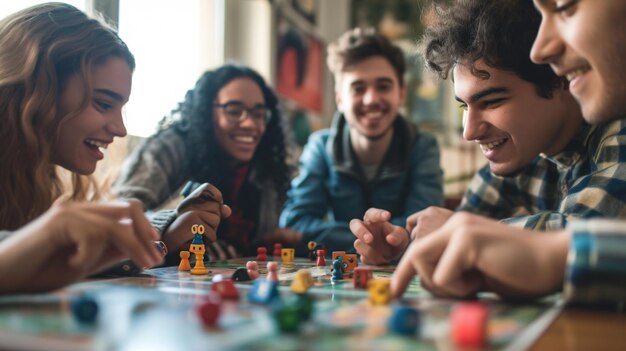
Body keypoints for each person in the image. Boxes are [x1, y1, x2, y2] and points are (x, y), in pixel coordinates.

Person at [352, 0, 626, 267]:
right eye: (464, 106)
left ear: (559, 79)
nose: (469, 132)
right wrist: (402, 246)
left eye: (492, 102)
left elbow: (589, 241)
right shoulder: (523, 151)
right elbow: (459, 235)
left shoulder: (617, 134)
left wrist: (462, 232)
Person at [0, 3, 163, 294]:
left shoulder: (27, 178)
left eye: (121, 109)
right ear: (38, 90)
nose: (119, 129)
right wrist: (52, 231)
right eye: (103, 104)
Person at [279, 27, 444, 254]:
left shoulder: (423, 147)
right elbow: (294, 224)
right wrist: (373, 239)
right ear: (340, 99)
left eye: (383, 86)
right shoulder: (320, 147)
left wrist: (377, 239)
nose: (371, 99)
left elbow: (426, 227)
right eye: (358, 88)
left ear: (401, 94)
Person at [113, 64, 297, 261]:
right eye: (234, 111)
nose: (250, 124)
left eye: (259, 114)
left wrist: (268, 240)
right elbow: (118, 215)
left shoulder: (267, 165)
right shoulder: (172, 148)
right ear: (206, 113)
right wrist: (169, 228)